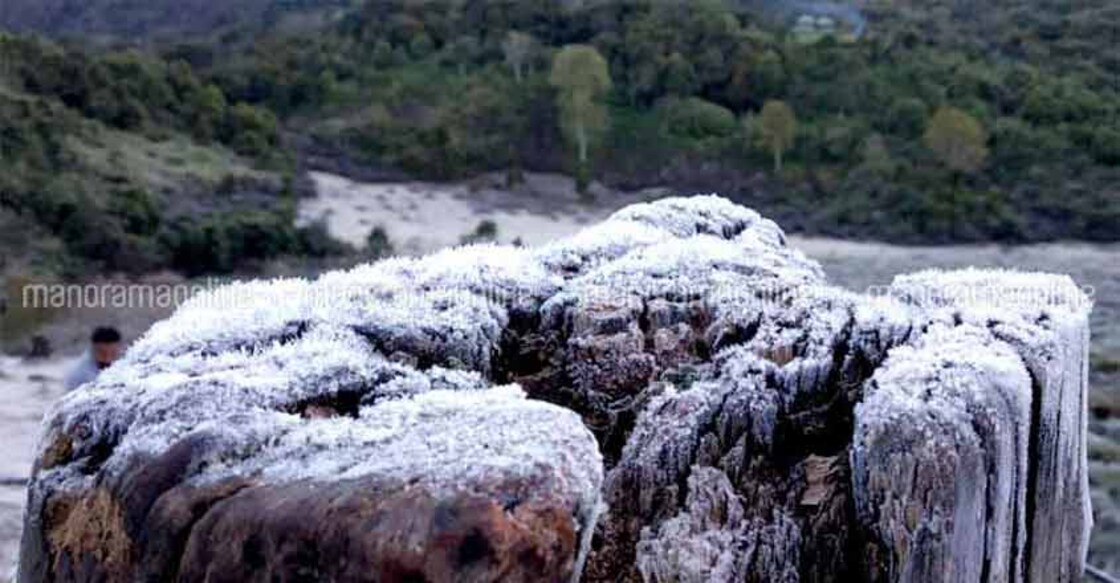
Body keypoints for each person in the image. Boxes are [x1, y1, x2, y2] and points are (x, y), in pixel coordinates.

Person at [64, 327, 122, 391]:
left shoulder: (126, 364)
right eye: (102, 353)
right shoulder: (79, 374)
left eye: (112, 352)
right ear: (93, 349)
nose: (107, 358)